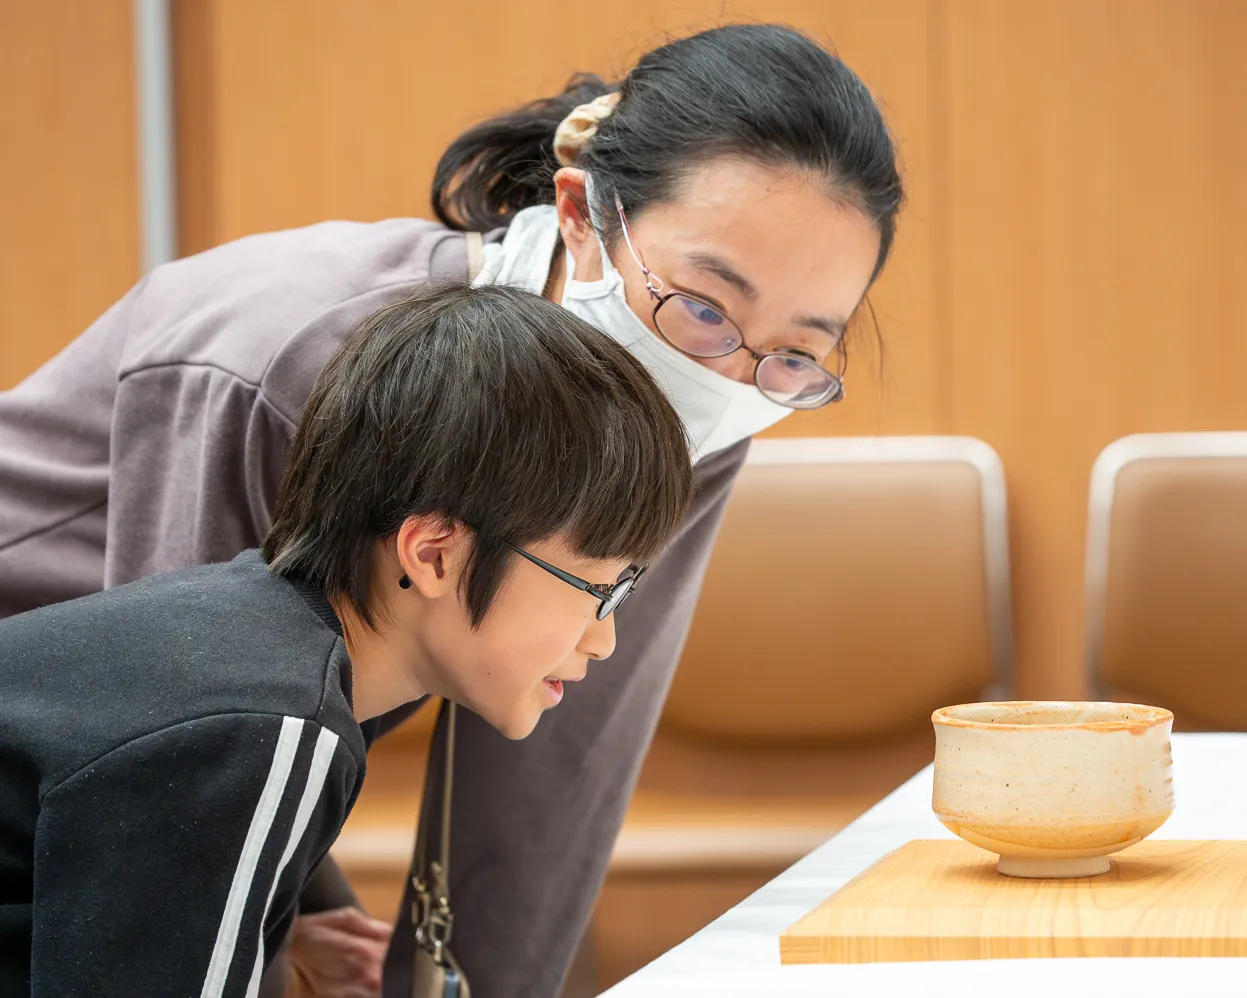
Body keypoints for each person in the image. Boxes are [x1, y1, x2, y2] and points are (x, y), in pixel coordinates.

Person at [0, 22, 903, 998]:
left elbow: (552, 775)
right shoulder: (288, 354)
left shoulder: (708, 409)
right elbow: (184, 747)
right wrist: (281, 911)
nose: (729, 376)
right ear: (580, 214)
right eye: (705, 306)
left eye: (796, 353)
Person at [0, 281, 693, 996]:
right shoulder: (265, 725)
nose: (604, 641)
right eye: (596, 591)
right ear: (434, 555)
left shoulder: (252, 650)